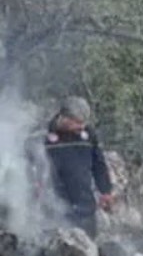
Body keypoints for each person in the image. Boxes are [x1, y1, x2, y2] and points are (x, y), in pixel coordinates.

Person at [42, 96, 113, 238]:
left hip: (85, 208)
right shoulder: (44, 136)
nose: (81, 127)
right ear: (63, 118)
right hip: (57, 209)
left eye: (84, 123)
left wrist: (105, 191)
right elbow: (31, 166)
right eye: (78, 123)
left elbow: (98, 163)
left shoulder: (88, 135)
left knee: (87, 252)